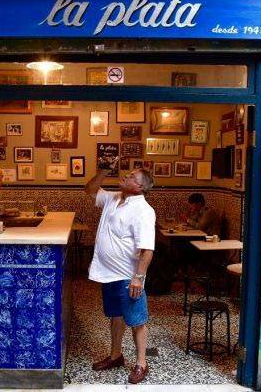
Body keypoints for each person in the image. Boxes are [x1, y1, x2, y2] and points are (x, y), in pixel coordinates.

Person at [85, 159, 156, 384]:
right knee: (115, 316)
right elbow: (90, 190)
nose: (126, 176)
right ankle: (116, 356)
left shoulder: (143, 210)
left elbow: (147, 249)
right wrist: (103, 170)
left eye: (133, 177)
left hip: (128, 276)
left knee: (137, 320)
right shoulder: (113, 198)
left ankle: (141, 364)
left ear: (140, 187)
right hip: (108, 273)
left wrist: (139, 277)